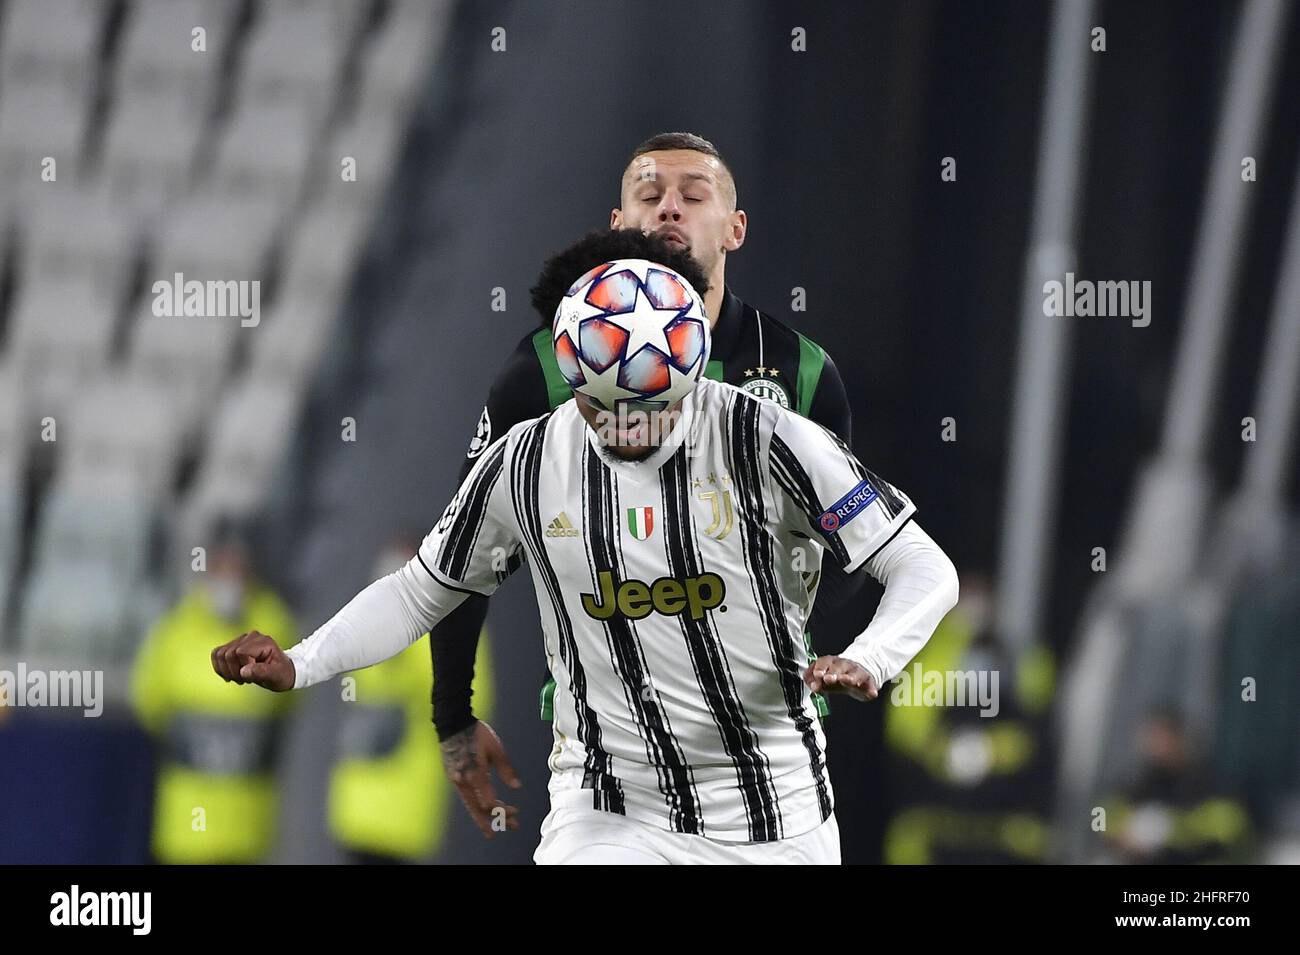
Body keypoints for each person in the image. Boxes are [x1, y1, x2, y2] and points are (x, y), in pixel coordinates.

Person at [211, 231, 958, 864]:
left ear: (692, 375)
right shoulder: (525, 462)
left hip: (772, 811)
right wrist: (302, 661)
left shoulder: (772, 438)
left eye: (648, 407)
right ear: (570, 377)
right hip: (608, 807)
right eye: (603, 406)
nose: (625, 426)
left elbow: (922, 565)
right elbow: (420, 590)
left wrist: (873, 654)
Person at [441, 132, 861, 729]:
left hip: (758, 721)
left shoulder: (802, 371)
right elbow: (465, 550)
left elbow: (851, 547)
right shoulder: (545, 367)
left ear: (735, 229)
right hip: (602, 724)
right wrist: (453, 713)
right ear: (619, 223)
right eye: (649, 194)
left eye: (693, 195)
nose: (669, 207)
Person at [131, 523, 296, 863]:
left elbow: (293, 693)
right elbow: (149, 701)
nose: (230, 580)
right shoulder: (176, 630)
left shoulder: (274, 627)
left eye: (238, 568)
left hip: (248, 829)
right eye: (223, 567)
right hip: (185, 828)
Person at [327, 536, 494, 864]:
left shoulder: (451, 625)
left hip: (404, 817)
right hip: (353, 813)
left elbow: (470, 706)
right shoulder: (364, 622)